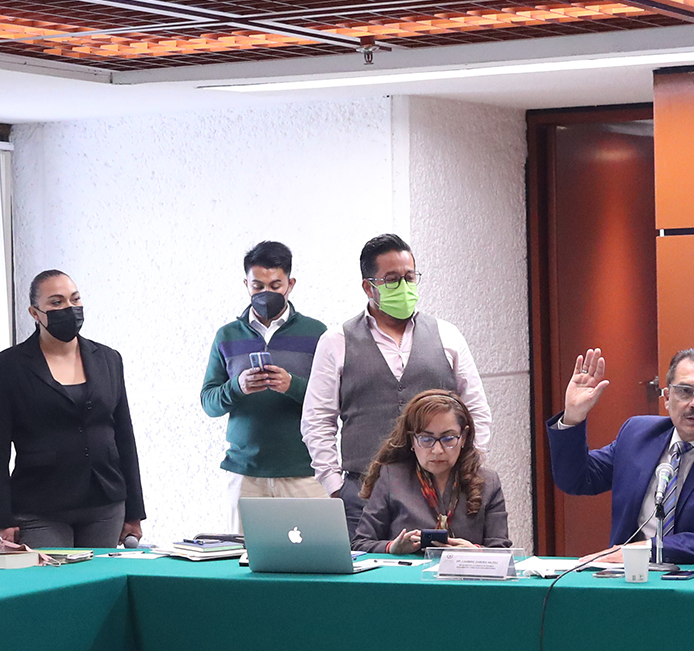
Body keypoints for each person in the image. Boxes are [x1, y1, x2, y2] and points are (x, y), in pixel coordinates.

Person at [300, 233, 493, 523]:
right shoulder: (336, 341)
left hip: (438, 491)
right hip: (362, 494)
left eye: (409, 277)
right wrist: (334, 485)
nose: (403, 286)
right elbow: (317, 419)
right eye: (392, 280)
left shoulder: (447, 335)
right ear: (369, 287)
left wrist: (469, 466)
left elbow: (476, 409)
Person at [547, 345, 694, 562]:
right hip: (628, 577)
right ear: (666, 398)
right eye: (684, 391)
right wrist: (573, 416)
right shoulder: (637, 434)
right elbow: (577, 480)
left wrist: (649, 549)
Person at [0, 269, 146, 549]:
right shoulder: (7, 367)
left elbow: (124, 437)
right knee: (51, 576)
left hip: (105, 502)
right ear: (35, 313)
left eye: (75, 299)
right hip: (39, 505)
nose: (69, 308)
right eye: (56, 302)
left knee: (101, 577)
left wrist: (135, 512)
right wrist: (0, 519)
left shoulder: (108, 359)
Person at [201, 239, 329, 514]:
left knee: (314, 544)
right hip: (244, 473)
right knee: (241, 545)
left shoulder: (317, 333)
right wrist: (237, 387)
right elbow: (209, 402)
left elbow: (334, 399)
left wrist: (292, 386)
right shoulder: (227, 335)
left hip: (304, 471)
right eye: (258, 286)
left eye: (275, 286)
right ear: (246, 284)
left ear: (290, 284)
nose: (266, 293)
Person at [353, 390, 510, 553]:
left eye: (448, 439)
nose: (437, 450)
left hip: (465, 570)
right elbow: (360, 544)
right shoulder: (392, 477)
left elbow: (502, 550)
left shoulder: (488, 482)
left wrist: (476, 552)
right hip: (407, 569)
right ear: (412, 440)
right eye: (426, 439)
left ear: (463, 437)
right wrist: (391, 548)